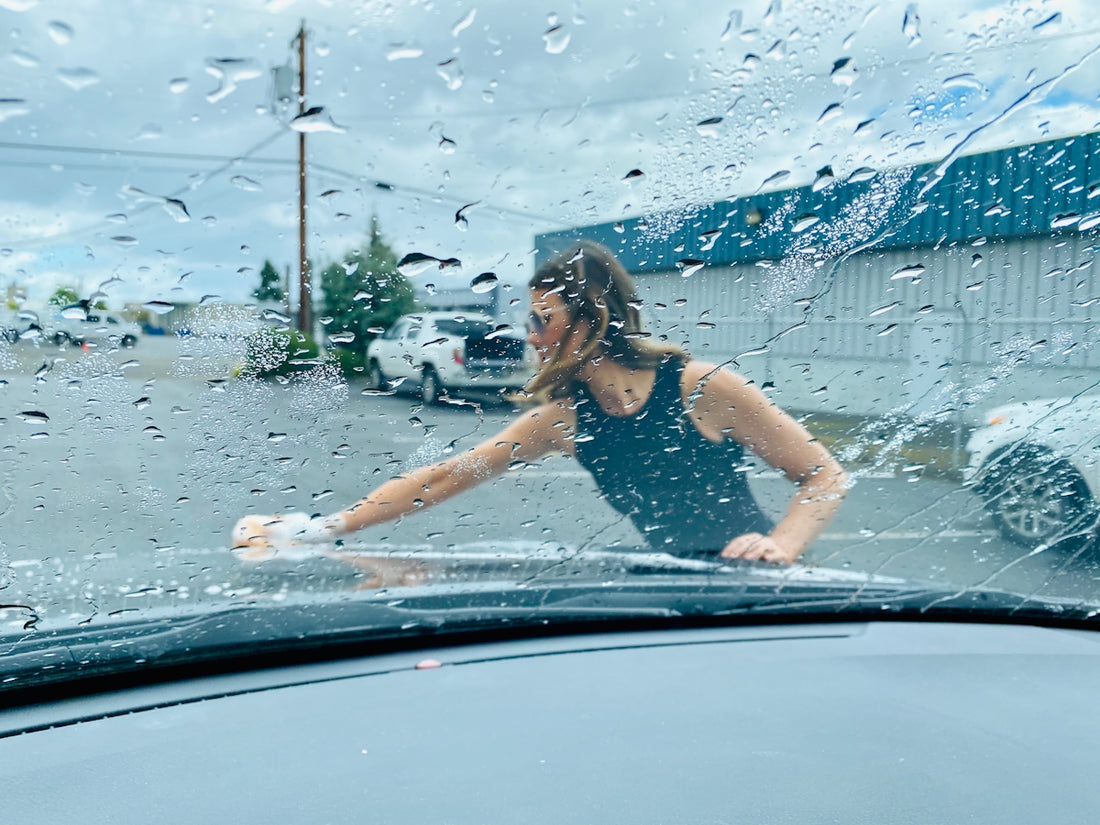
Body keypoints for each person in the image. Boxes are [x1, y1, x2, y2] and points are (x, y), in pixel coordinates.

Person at [233, 240, 848, 564]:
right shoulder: (563, 420)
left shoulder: (701, 388)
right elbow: (444, 477)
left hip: (757, 593)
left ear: (592, 318)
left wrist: (781, 546)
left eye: (541, 319)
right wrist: (319, 529)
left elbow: (824, 476)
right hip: (674, 587)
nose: (530, 336)